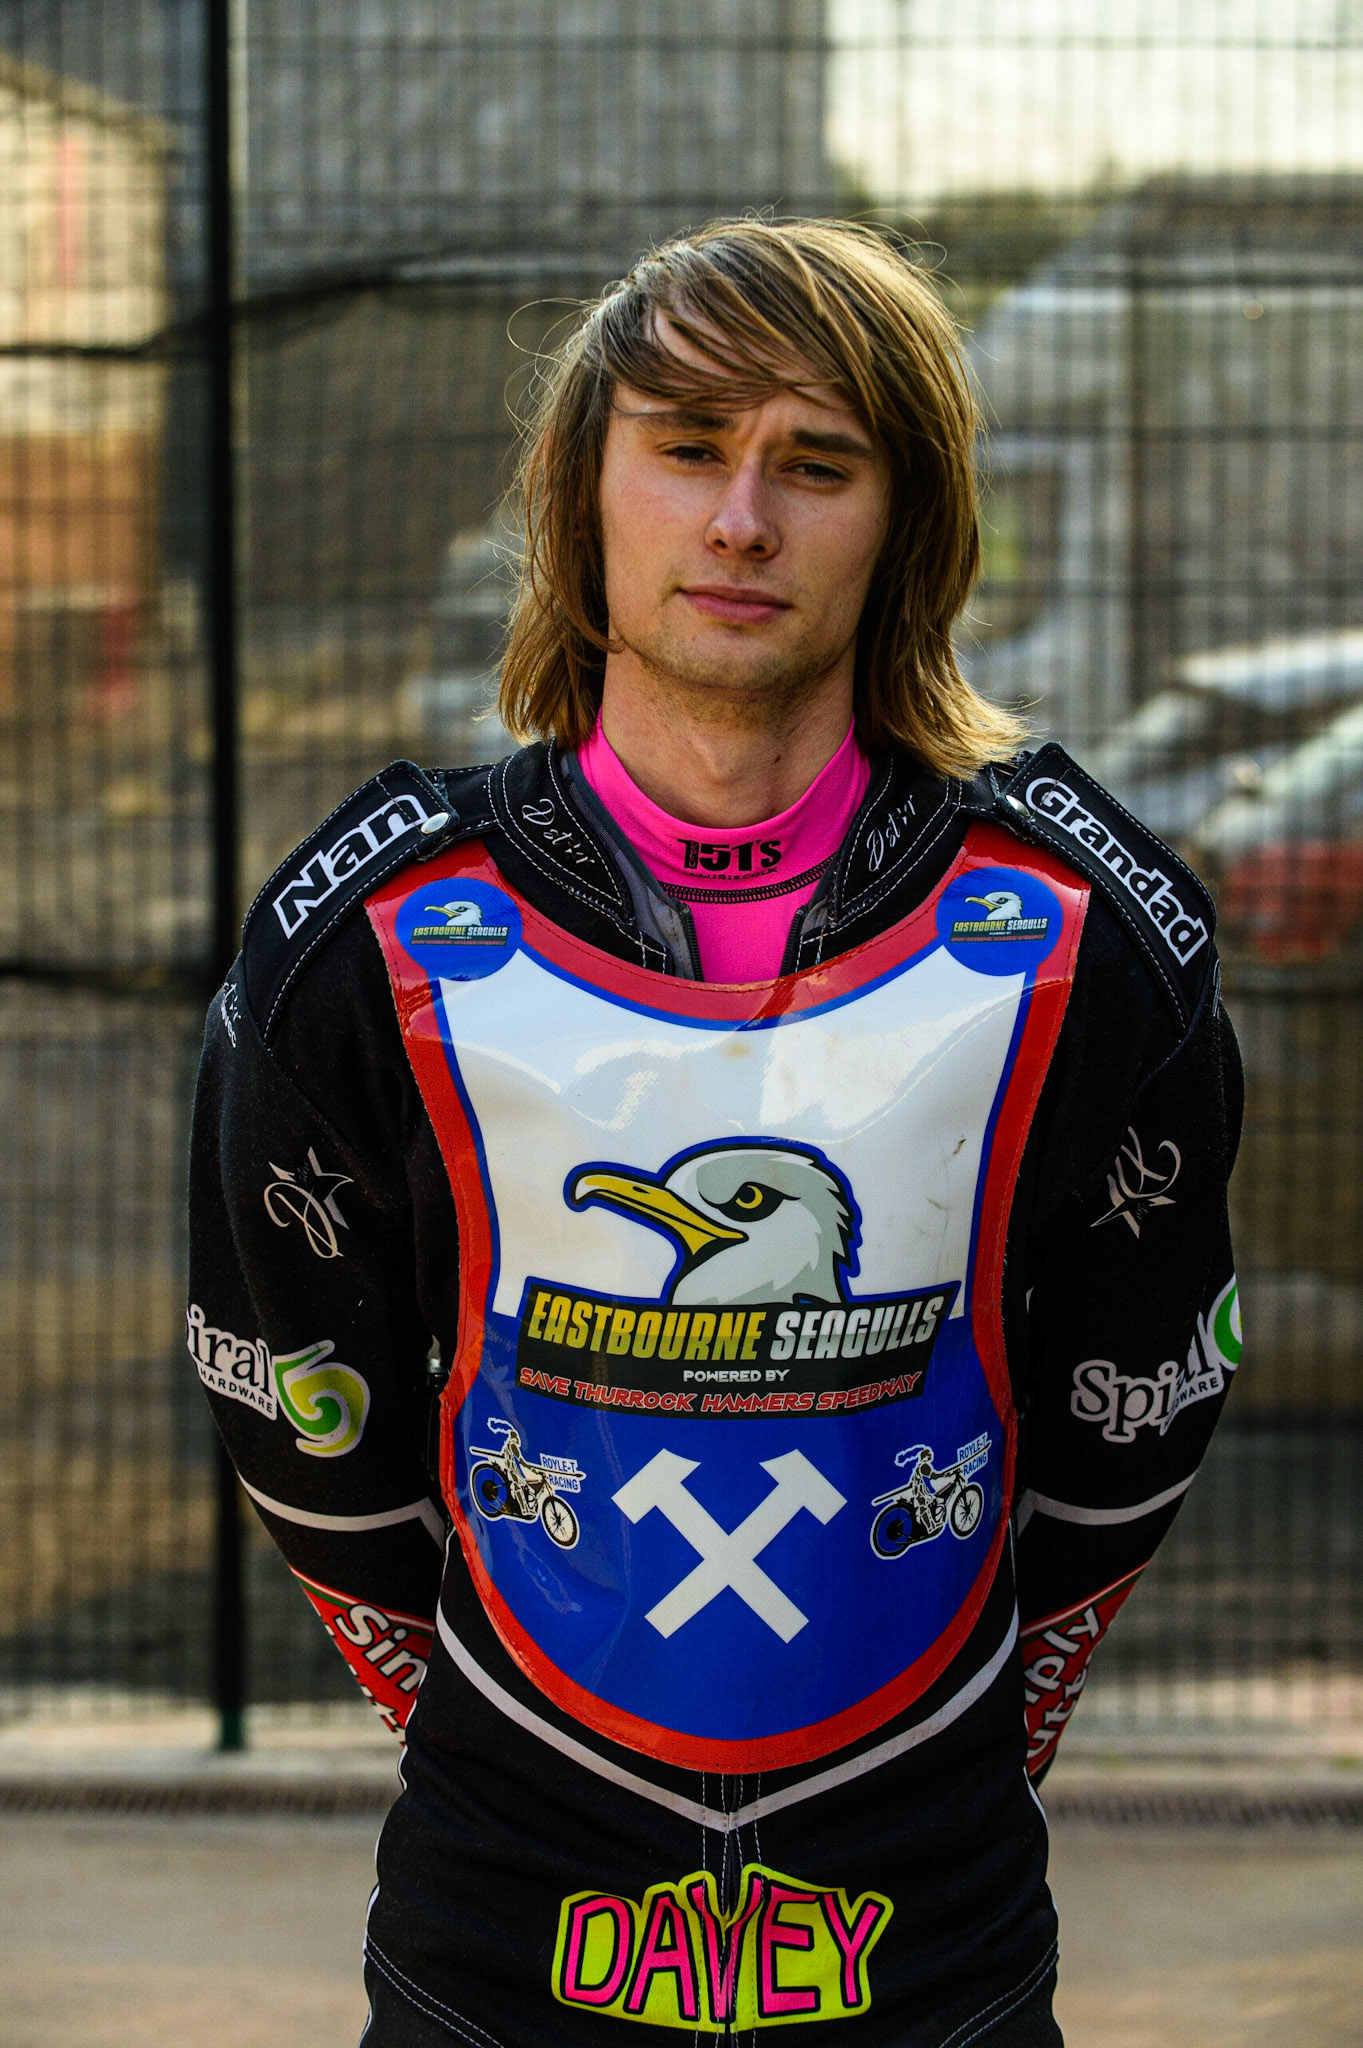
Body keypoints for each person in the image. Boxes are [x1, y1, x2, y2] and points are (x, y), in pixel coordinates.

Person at [189, 219, 1242, 2048]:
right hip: (498, 1940)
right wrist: (511, 1738)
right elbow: (303, 1415)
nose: (742, 520)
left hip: (936, 1940)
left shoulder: (1094, 931)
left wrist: (960, 1735)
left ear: (908, 523)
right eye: (687, 447)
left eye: (816, 464)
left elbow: (1129, 1415)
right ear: (580, 494)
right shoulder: (361, 937)